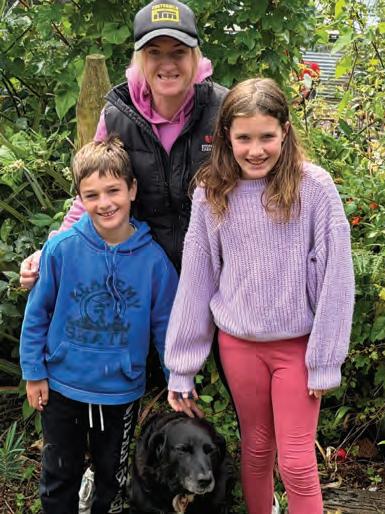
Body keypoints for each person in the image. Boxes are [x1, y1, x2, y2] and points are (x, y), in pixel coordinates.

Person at [164, 78, 355, 514]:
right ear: (225, 136)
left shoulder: (314, 188)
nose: (255, 150)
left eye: (266, 136)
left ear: (285, 131)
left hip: (297, 349)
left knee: (297, 463)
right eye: (244, 138)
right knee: (255, 449)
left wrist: (326, 359)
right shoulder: (211, 192)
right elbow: (197, 279)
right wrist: (182, 367)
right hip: (239, 347)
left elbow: (337, 279)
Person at [19, 0, 228, 287]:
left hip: (216, 272)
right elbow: (93, 190)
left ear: (194, 56)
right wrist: (49, 251)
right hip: (143, 274)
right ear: (141, 58)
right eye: (154, 52)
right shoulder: (117, 117)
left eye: (178, 52)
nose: (167, 64)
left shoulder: (224, 109)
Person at [19, 136, 178, 514]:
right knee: (59, 478)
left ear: (132, 189)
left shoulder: (154, 261)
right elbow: (37, 314)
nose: (104, 203)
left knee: (112, 480)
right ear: (80, 198)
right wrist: (34, 372)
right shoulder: (61, 249)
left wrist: (177, 379)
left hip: (120, 393)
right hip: (62, 387)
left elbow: (166, 328)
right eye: (91, 195)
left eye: (113, 191)